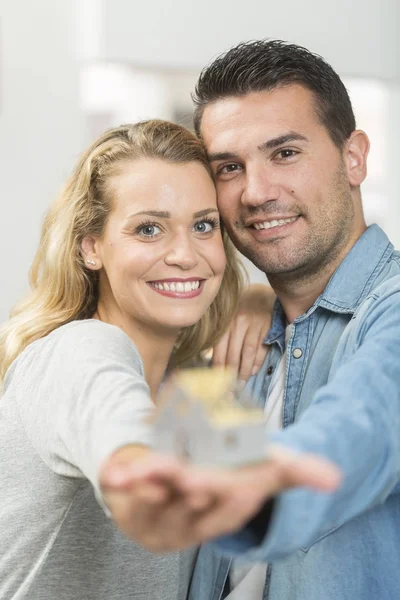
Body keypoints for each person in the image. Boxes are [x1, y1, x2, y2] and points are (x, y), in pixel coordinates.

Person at [101, 41, 400, 600]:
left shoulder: (390, 313)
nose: (257, 193)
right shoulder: (233, 342)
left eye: (285, 153)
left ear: (354, 157)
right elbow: (184, 509)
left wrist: (267, 485)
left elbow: (366, 419)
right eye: (230, 168)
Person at [0, 118, 333, 600]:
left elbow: (251, 540)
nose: (184, 254)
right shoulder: (79, 349)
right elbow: (118, 432)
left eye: (203, 226)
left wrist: (269, 302)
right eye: (149, 229)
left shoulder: (199, 384)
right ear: (90, 246)